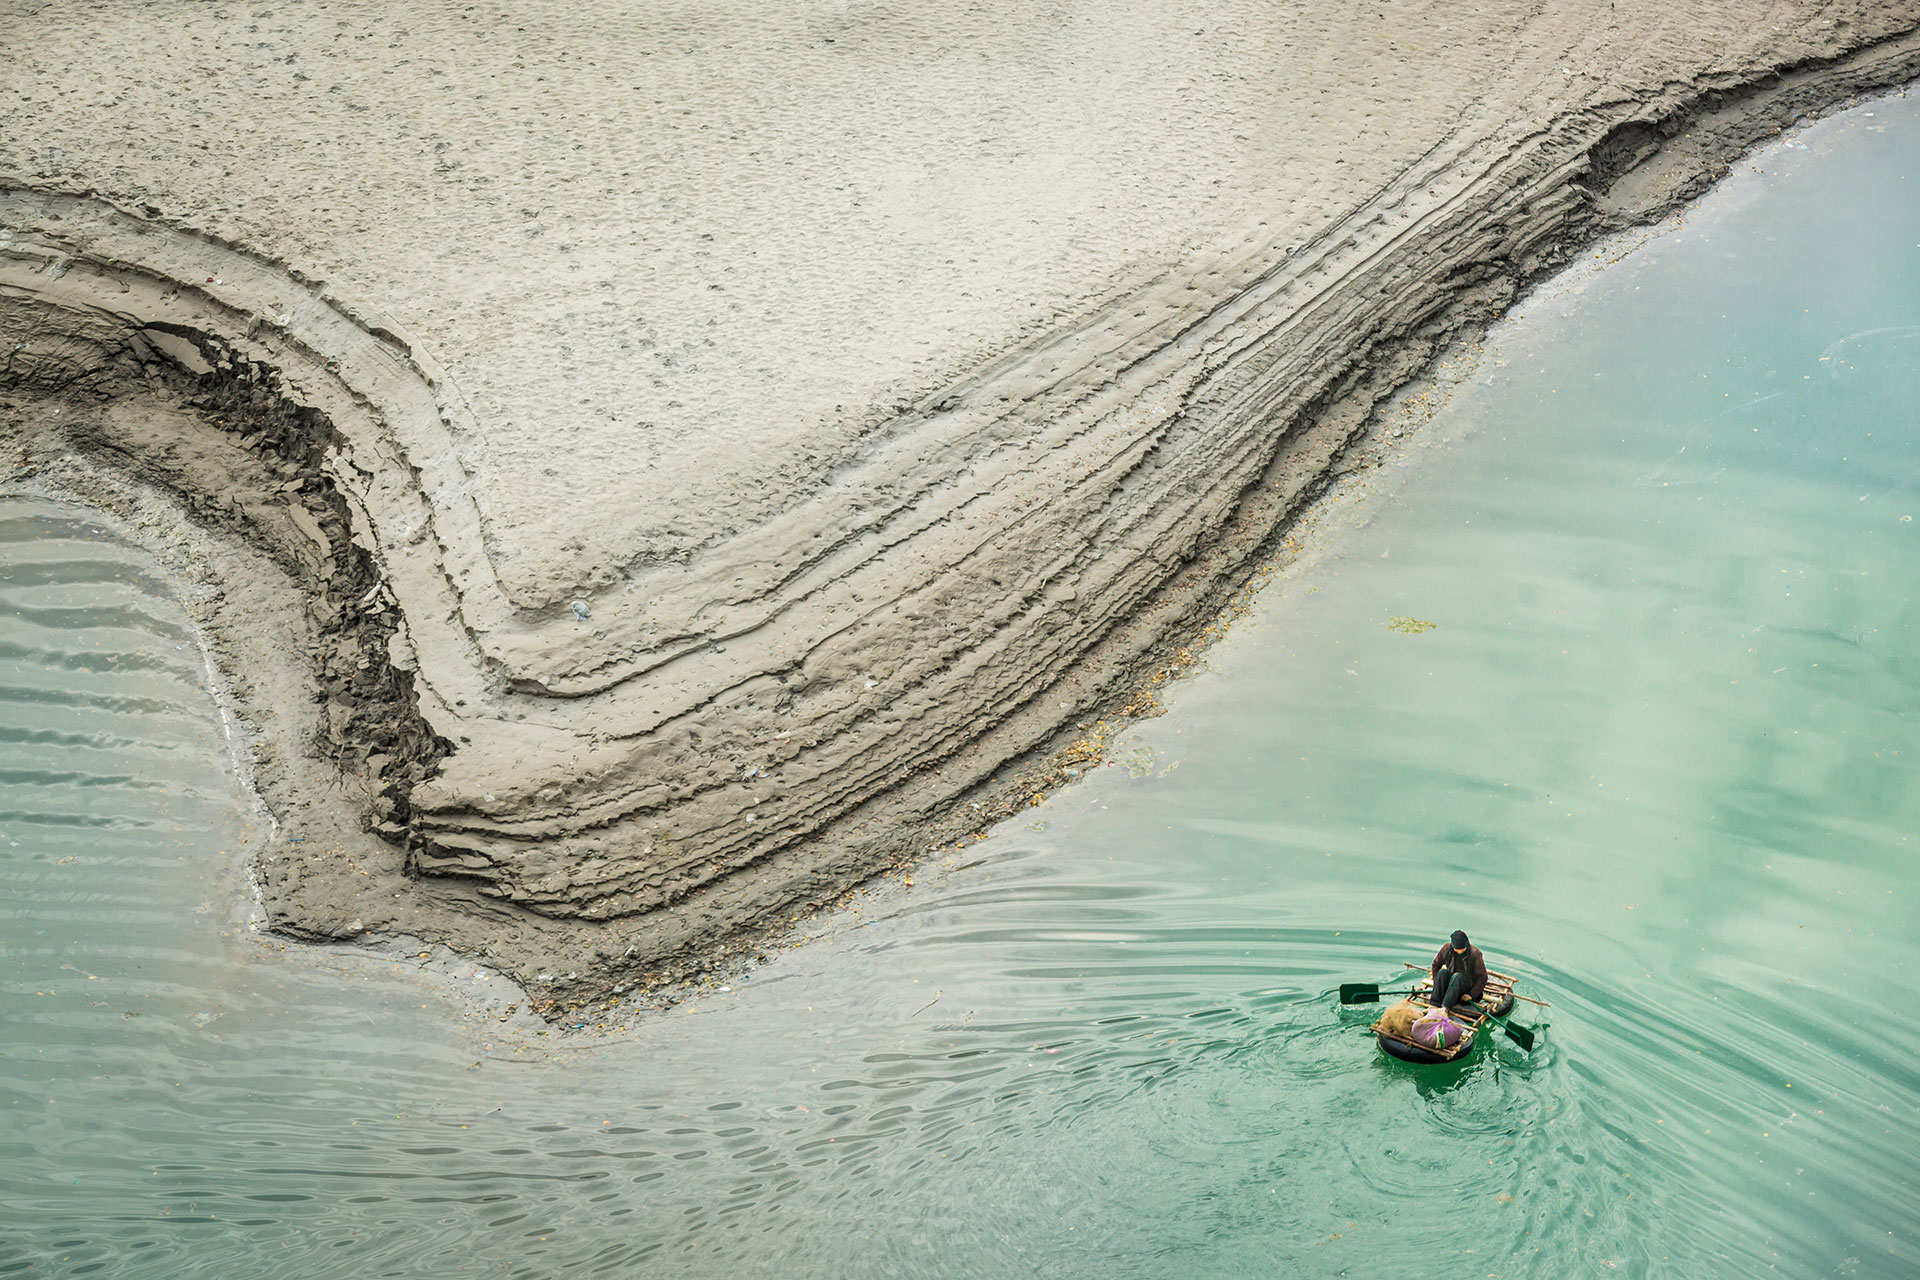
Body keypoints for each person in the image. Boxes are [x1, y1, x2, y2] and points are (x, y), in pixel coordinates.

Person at [1430, 929, 1487, 1015]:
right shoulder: (1446, 949)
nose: (1459, 952)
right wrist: (1437, 983)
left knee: (1457, 976)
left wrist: (1471, 994)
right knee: (1442, 972)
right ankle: (1434, 1004)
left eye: (1462, 949)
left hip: (1466, 985)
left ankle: (1445, 1008)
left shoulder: (1475, 954)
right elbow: (1435, 965)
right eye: (1457, 950)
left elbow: (1482, 977)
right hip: (1452, 983)